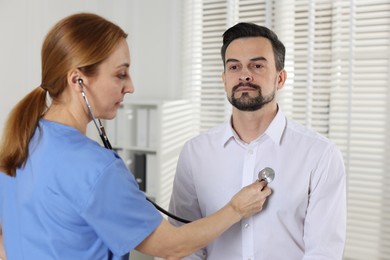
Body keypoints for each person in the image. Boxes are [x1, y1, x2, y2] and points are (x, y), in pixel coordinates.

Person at [0, 14, 272, 260]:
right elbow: (171, 246)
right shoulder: (95, 168)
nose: (130, 87)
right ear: (78, 81)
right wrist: (236, 209)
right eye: (120, 74)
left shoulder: (21, 141)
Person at [169, 22, 347, 259]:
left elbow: (323, 252)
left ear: (280, 79)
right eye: (234, 66)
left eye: (257, 65)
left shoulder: (320, 155)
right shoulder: (195, 152)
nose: (244, 74)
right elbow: (185, 241)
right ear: (224, 78)